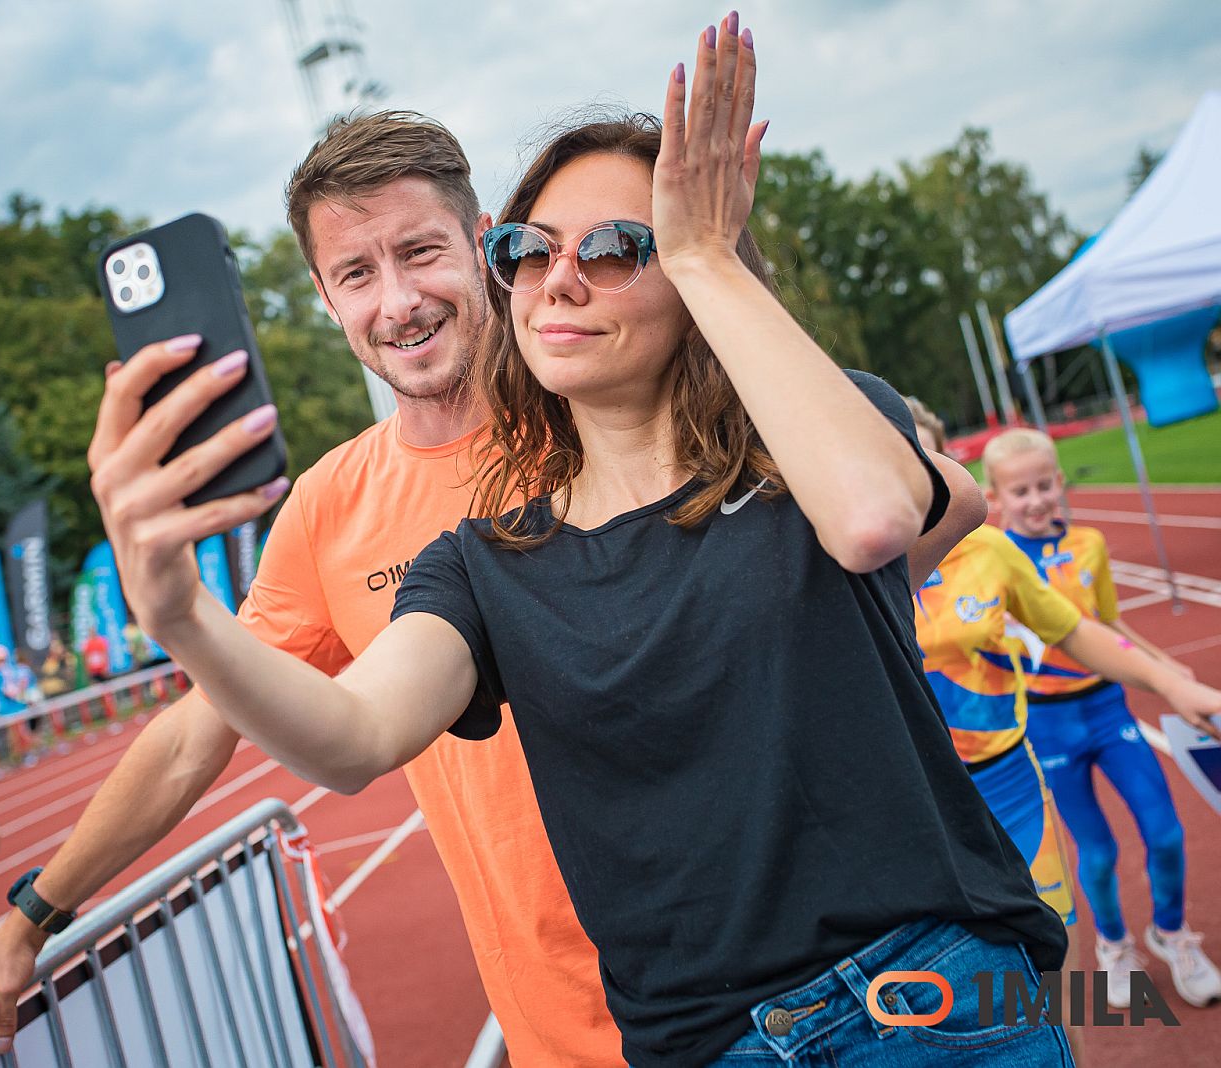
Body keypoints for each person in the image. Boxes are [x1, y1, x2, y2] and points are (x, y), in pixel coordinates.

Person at [74, 20, 1100, 1065]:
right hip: (703, 1046)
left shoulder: (808, 451)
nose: (561, 278)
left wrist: (704, 252)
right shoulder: (481, 562)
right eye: (533, 250)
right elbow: (349, 739)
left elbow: (882, 518)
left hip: (931, 1000)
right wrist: (175, 611)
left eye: (616, 247)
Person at [984, 427, 1221, 1008]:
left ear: (1060, 482)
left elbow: (1109, 628)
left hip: (1108, 709)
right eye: (1020, 491)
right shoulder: (993, 557)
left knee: (1165, 832)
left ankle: (1170, 934)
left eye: (1044, 485)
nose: (1036, 499)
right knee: (1099, 852)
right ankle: (1114, 947)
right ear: (994, 497)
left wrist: (1169, 672)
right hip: (1045, 725)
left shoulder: (1088, 544)